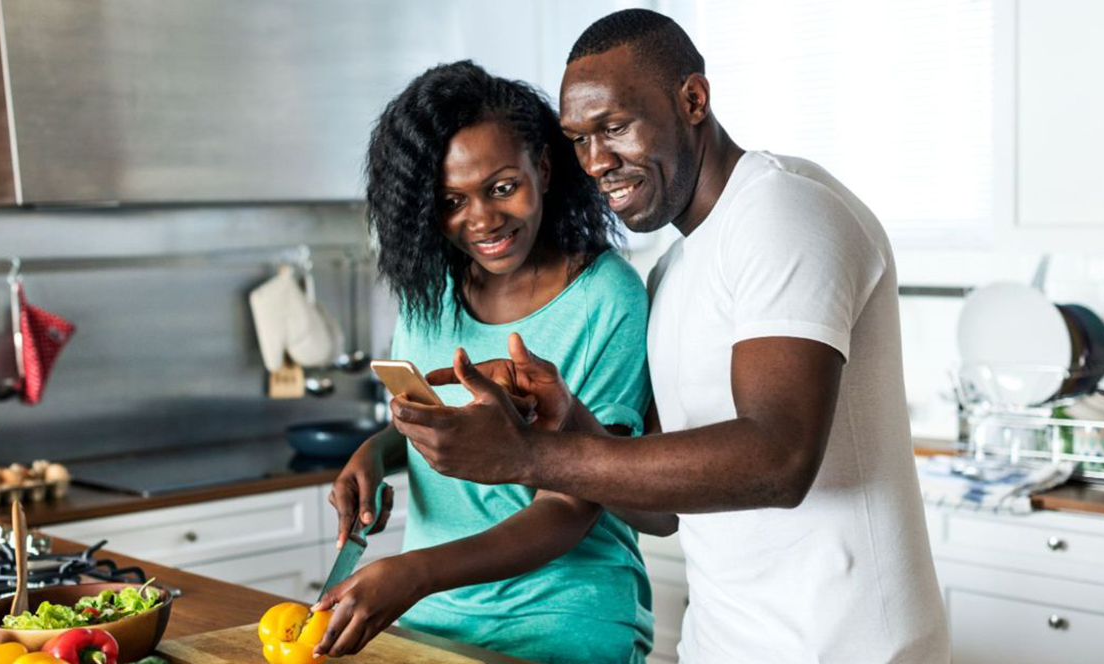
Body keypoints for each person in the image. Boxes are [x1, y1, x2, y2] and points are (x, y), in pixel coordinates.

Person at [390, 9, 951, 664]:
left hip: (848, 647)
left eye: (615, 127)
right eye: (579, 139)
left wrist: (528, 456)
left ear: (693, 99)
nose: (597, 162)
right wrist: (572, 420)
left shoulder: (783, 212)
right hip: (726, 644)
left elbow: (778, 459)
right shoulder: (674, 269)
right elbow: (659, 512)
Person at [312, 61, 658, 664]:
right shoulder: (430, 296)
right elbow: (435, 419)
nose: (483, 220)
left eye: (502, 187)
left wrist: (413, 573)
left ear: (544, 169)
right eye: (451, 200)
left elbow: (573, 502)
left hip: (561, 619)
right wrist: (378, 452)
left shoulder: (607, 299)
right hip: (431, 621)